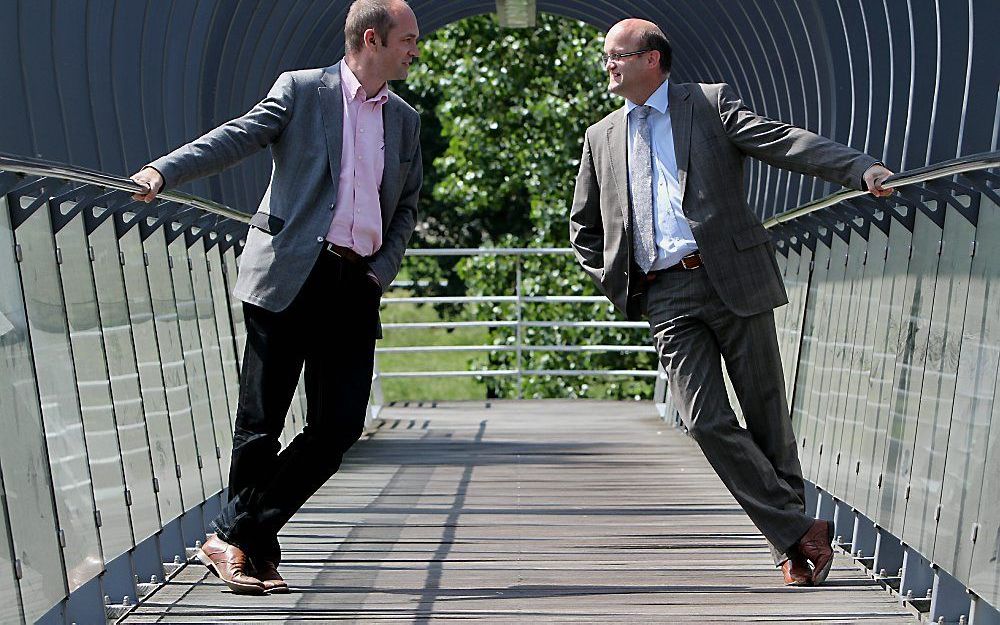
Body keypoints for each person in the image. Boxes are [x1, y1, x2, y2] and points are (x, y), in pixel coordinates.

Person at [569, 18, 893, 586]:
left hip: (732, 276)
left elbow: (783, 141)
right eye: (606, 58)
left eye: (617, 56)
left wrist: (858, 169)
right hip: (664, 292)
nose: (609, 67)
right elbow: (583, 228)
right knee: (705, 420)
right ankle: (796, 528)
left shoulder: (709, 104)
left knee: (766, 412)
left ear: (653, 59)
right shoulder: (601, 136)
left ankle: (795, 549)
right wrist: (617, 279)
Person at [130, 0, 422, 594]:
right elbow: (236, 137)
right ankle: (254, 552)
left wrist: (380, 272)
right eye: (408, 39)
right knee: (260, 425)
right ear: (373, 39)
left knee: (338, 427)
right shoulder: (303, 90)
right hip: (288, 272)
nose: (416, 49)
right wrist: (164, 170)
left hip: (354, 282)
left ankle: (231, 533)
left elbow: (408, 205)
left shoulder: (405, 120)